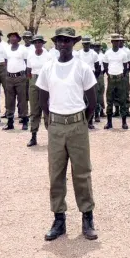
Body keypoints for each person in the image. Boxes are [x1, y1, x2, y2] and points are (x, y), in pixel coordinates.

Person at [36, 27, 98, 241]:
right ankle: (59, 219)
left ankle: (87, 217)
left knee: (81, 173)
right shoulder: (48, 68)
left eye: (67, 41)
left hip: (77, 124)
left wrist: (82, 123)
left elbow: (92, 101)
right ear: (55, 43)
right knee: (56, 173)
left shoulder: (82, 68)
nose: (63, 44)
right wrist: (48, 119)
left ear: (74, 43)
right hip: (56, 125)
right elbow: (42, 97)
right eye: (59, 40)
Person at [26, 35, 51, 146]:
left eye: (39, 42)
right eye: (35, 42)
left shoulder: (48, 55)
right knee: (34, 109)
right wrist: (31, 81)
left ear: (43, 43)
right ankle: (33, 136)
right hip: (34, 80)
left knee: (46, 109)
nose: (37, 44)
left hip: (45, 80)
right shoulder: (30, 55)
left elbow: (51, 69)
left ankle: (51, 136)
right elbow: (28, 70)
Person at [103, 34, 130, 130]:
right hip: (111, 79)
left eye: (118, 41)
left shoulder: (123, 53)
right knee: (109, 101)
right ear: (111, 42)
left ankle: (124, 123)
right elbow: (105, 66)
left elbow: (125, 66)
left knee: (122, 100)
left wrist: (121, 76)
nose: (116, 42)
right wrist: (110, 74)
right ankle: (109, 122)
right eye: (114, 41)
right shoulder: (107, 53)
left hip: (120, 79)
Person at [3, 31, 29, 131]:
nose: (12, 39)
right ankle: (10, 122)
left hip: (20, 77)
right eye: (11, 37)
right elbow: (6, 62)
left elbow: (27, 63)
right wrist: (6, 74)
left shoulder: (23, 49)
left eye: (14, 37)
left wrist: (26, 77)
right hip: (9, 77)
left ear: (18, 39)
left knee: (22, 100)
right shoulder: (6, 49)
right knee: (9, 100)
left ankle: (25, 121)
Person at [75, 35, 101, 129]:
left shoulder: (94, 54)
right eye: (84, 43)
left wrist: (94, 78)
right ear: (82, 44)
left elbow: (98, 67)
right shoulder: (78, 54)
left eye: (87, 43)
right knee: (81, 100)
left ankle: (90, 121)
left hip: (91, 77)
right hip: (81, 78)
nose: (86, 45)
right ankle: (82, 121)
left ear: (89, 44)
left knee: (90, 99)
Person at [92, 41, 106, 120]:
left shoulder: (102, 55)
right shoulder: (92, 55)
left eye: (98, 46)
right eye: (95, 46)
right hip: (93, 75)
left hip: (100, 75)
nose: (97, 48)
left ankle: (101, 111)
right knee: (95, 94)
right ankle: (96, 113)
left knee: (101, 93)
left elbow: (104, 67)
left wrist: (101, 74)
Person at [121, 35, 130, 118]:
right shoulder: (112, 50)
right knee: (116, 92)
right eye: (119, 40)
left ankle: (126, 109)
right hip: (116, 73)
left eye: (122, 41)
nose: (120, 42)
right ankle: (117, 110)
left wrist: (127, 72)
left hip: (125, 74)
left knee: (126, 91)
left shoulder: (127, 51)